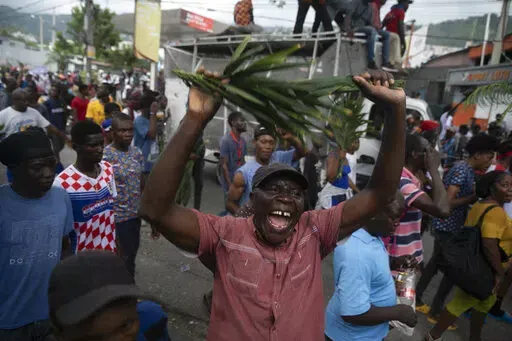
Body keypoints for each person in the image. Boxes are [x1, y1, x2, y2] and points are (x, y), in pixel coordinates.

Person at [138, 68, 406, 340]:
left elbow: (379, 194)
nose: (287, 197)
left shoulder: (314, 231)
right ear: (253, 200)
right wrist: (195, 118)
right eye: (275, 189)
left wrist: (395, 109)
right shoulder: (224, 235)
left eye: (295, 193)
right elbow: (154, 210)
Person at [415, 133, 499, 323]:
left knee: (436, 264)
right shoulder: (462, 170)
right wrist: (471, 198)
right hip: (447, 225)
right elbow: (449, 202)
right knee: (450, 269)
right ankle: (434, 310)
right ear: (477, 154)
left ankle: (421, 301)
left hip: (450, 225)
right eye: (488, 156)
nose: (490, 161)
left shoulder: (467, 170)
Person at [0, 129, 73, 341]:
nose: (49, 172)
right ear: (14, 169)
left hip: (51, 316)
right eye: (37, 168)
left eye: (51, 164)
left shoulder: (61, 197)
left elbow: (64, 247)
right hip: (7, 323)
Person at [425, 171, 512, 341]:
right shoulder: (496, 212)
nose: (510, 190)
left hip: (480, 265)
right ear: (492, 187)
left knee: (483, 304)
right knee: (461, 302)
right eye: (505, 185)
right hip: (486, 268)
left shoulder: (482, 205)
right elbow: (489, 243)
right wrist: (499, 273)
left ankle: (475, 338)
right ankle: (432, 336)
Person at [325, 192, 418, 341]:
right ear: (372, 213)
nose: (397, 222)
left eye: (399, 217)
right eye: (392, 217)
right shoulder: (357, 254)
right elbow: (352, 313)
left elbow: (372, 266)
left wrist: (395, 262)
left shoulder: (371, 235)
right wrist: (397, 313)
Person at [48, 250, 171, 341]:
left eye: (125, 326)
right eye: (92, 339)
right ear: (60, 336)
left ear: (135, 307)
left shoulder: (153, 320)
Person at [384, 134, 450, 266]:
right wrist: (434, 170)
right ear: (414, 154)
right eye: (427, 151)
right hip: (398, 259)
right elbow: (442, 210)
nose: (432, 156)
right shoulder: (403, 182)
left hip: (409, 255)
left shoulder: (412, 179)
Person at [53, 121, 118, 254]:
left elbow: (111, 213)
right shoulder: (62, 183)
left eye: (101, 143)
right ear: (76, 147)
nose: (100, 149)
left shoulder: (108, 169)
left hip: (109, 253)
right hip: (82, 260)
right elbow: (60, 235)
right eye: (93, 145)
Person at [226, 125, 306, 215]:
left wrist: (291, 138)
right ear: (254, 142)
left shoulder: (279, 158)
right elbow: (230, 204)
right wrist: (246, 221)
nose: (267, 146)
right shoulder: (243, 173)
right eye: (263, 142)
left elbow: (303, 152)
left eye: (271, 142)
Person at [103, 113, 144, 278]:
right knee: (122, 259)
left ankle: (128, 291)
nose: (128, 134)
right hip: (117, 219)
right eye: (123, 130)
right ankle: (125, 294)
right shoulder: (105, 157)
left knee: (131, 256)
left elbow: (142, 183)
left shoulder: (137, 153)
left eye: (130, 130)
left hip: (135, 216)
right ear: (113, 132)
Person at [0, 89, 69, 144]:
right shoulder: (3, 115)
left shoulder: (33, 112)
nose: (27, 103)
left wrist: (64, 137)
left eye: (28, 100)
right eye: (24, 100)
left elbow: (49, 126)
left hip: (32, 152)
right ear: (14, 101)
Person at [345, 0, 394, 70]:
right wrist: (348, 30)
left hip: (365, 29)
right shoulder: (356, 2)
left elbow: (370, 23)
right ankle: (371, 61)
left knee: (386, 34)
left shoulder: (370, 6)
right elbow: (348, 16)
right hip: (354, 28)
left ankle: (385, 62)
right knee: (372, 31)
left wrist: (383, 24)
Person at [316, 144, 359, 209]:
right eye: (353, 142)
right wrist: (339, 159)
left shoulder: (345, 158)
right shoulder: (333, 155)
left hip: (343, 196)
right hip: (333, 197)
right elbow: (331, 177)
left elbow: (345, 177)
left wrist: (357, 191)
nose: (354, 145)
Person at [219, 111, 247, 194]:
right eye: (241, 120)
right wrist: (230, 185)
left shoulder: (243, 142)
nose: (244, 123)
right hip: (230, 185)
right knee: (229, 206)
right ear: (233, 123)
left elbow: (242, 162)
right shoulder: (226, 140)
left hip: (240, 182)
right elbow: (224, 165)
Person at [134, 91, 159, 176]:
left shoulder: (152, 119)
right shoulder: (139, 121)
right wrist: (153, 113)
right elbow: (152, 134)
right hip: (143, 157)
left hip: (152, 155)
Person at [383, 0, 413, 68]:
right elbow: (400, 28)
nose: (407, 6)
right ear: (403, 2)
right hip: (393, 37)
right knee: (397, 38)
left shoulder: (391, 11)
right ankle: (395, 64)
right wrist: (404, 43)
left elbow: (383, 23)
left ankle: (393, 63)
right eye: (407, 3)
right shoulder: (401, 11)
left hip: (387, 35)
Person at [44, 85, 69, 155]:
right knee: (56, 147)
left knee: (62, 145)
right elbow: (46, 116)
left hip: (62, 127)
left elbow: (65, 113)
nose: (54, 92)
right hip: (53, 128)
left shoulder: (61, 102)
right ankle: (57, 162)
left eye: (55, 91)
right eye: (52, 90)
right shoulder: (47, 103)